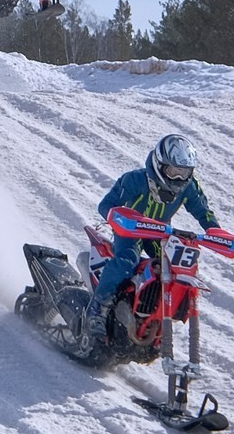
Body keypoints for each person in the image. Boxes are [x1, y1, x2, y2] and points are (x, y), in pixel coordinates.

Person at [91, 134, 221, 315]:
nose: (177, 177)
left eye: (183, 172)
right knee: (127, 260)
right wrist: (118, 217)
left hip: (160, 234)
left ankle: (150, 311)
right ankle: (98, 308)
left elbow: (202, 210)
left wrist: (214, 230)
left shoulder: (190, 186)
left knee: (175, 267)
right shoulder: (135, 180)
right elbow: (106, 205)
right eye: (172, 171)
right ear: (159, 164)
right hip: (130, 231)